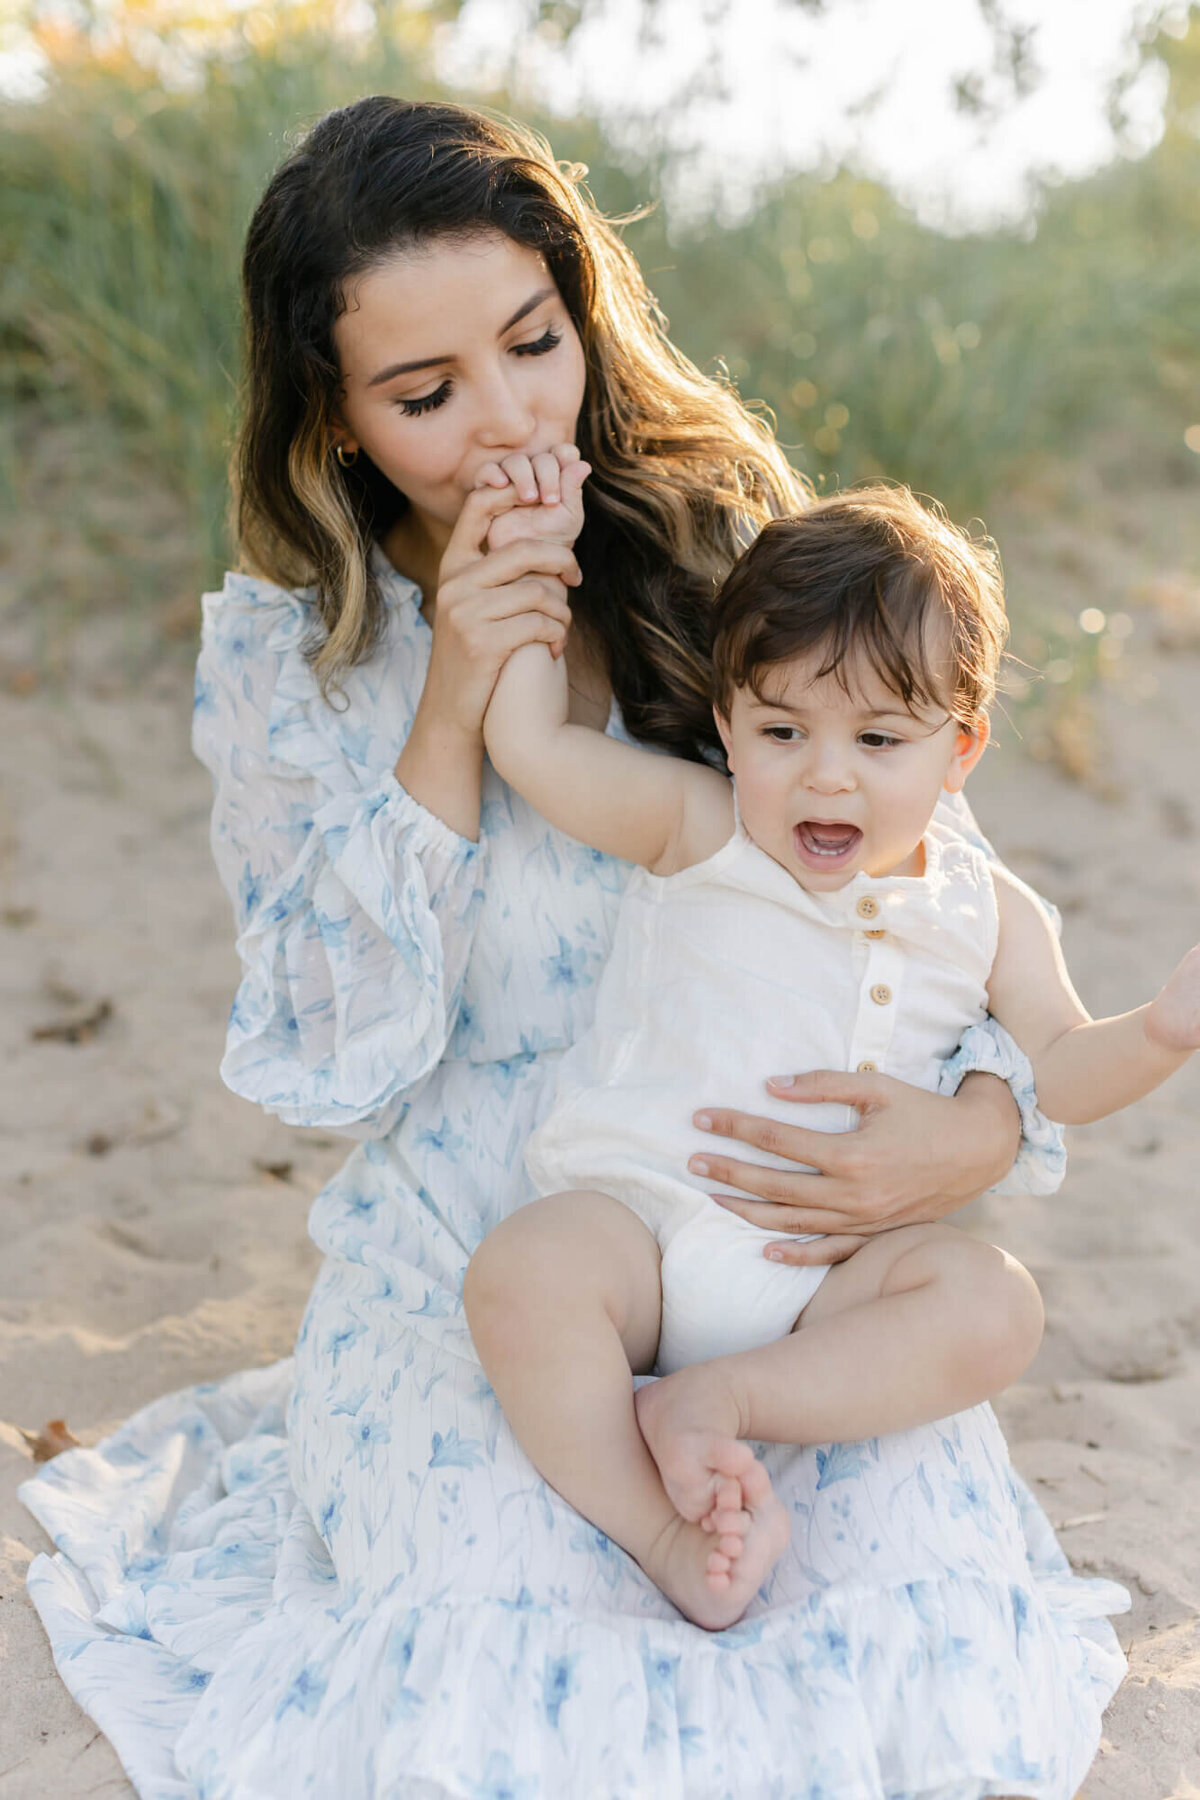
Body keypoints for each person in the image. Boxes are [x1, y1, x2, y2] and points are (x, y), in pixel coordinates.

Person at [20, 97, 1129, 1800]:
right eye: (426, 394)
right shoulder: (286, 663)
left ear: (581, 318)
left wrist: (973, 1124)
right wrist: (461, 687)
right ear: (332, 417)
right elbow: (336, 1056)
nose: (507, 422)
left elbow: (940, 882)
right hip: (497, 1225)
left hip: (778, 1209)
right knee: (520, 1635)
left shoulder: (718, 544)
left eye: (534, 346)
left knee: (886, 1615)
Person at [468, 481, 1200, 1632]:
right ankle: (659, 1530)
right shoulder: (699, 828)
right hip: (646, 1229)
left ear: (959, 752)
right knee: (520, 1276)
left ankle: (723, 1399)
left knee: (992, 1307)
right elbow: (527, 746)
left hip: (823, 1289)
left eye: (876, 739)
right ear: (725, 725)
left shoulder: (992, 911)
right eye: (781, 732)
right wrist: (531, 574)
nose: (825, 774)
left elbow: (1058, 1068)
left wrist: (1160, 1033)